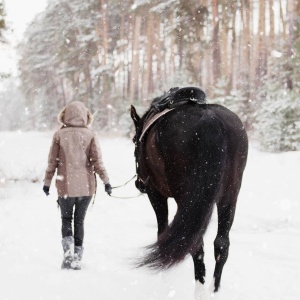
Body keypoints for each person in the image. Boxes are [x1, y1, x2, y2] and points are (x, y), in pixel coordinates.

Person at [43, 101, 112, 270]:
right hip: (86, 188)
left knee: (66, 219)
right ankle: (77, 258)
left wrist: (47, 182)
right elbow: (97, 162)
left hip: (65, 186)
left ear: (64, 115)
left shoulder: (59, 135)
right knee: (79, 221)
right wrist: (106, 182)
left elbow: (52, 161)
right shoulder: (90, 135)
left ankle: (68, 255)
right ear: (86, 116)